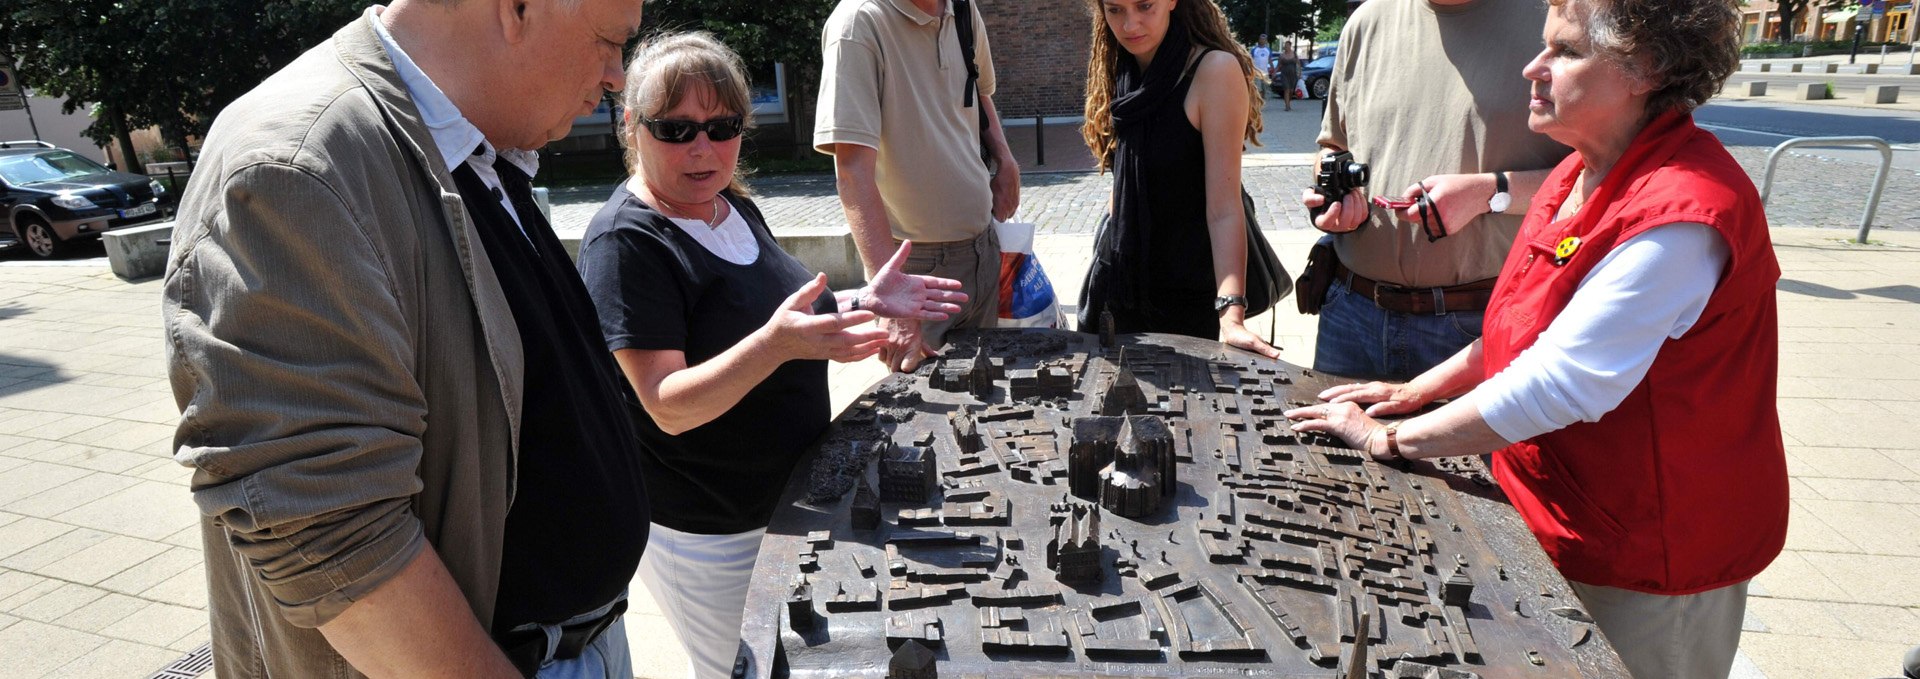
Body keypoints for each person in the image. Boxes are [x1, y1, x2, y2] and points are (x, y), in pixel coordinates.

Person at [1287, 2, 1781, 677]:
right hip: (1568, 519)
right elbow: (1522, 328)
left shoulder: (1682, 210)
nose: (1532, 66)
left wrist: (1389, 436)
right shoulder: (1579, 173)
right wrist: (1415, 391)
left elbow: (1559, 381)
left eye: (1565, 52)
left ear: (1647, 68)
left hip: (1650, 555)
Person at [163, 0, 648, 676]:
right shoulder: (297, 166)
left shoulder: (475, 145)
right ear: (515, 8)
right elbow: (335, 539)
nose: (617, 75)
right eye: (608, 40)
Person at [577, 33, 967, 679]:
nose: (703, 148)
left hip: (783, 508)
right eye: (675, 129)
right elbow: (666, 404)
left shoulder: (730, 205)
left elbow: (778, 314)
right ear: (631, 124)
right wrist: (777, 345)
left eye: (722, 125)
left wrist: (862, 298)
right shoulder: (626, 242)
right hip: (713, 533)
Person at [1300, 0, 1570, 381]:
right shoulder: (1366, 20)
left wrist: (1491, 193)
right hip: (1350, 315)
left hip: (1479, 326)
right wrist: (1333, 192)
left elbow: (1607, 173)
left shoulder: (1557, 19)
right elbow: (1333, 144)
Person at [817, 0, 1022, 373]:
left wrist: (1004, 158)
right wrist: (891, 294)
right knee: (930, 410)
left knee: (988, 397)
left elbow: (977, 91)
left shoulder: (961, 7)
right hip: (918, 271)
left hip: (985, 247)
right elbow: (850, 170)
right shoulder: (858, 23)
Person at [1073, 0, 1280, 358]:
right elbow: (1126, 178)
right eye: (1115, 10)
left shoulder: (1213, 70)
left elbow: (1225, 208)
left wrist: (1232, 317)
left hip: (1184, 293)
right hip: (1118, 285)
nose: (1130, 24)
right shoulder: (1121, 67)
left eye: (1144, 6)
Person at [1276, 41, 1301, 111]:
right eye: (1285, 45)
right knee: (1286, 89)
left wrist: (1300, 73)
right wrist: (1274, 73)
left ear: (1290, 46)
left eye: (1287, 45)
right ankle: (1287, 106)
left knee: (1291, 90)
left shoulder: (1294, 54)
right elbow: (1278, 66)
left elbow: (1298, 64)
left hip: (1293, 75)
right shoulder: (1281, 55)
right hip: (1284, 74)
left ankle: (1289, 103)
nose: (1286, 46)